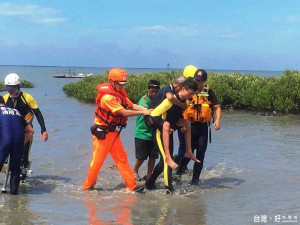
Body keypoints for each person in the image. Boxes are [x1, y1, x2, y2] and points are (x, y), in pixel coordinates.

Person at [82, 68, 152, 193]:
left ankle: (132, 186)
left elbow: (131, 105)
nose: (121, 86)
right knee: (96, 163)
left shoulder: (121, 93)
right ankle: (87, 187)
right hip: (102, 134)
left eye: (123, 84)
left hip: (113, 133)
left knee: (122, 159)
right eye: (120, 84)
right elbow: (123, 112)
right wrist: (143, 112)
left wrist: (147, 109)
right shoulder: (107, 98)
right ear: (111, 82)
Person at [145, 77, 199, 193]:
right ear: (183, 88)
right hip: (160, 132)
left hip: (169, 132)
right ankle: (169, 189)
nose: (191, 96)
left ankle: (149, 183)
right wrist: (163, 124)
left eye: (193, 94)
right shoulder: (170, 101)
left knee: (187, 123)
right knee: (166, 160)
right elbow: (154, 114)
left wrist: (182, 124)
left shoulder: (186, 102)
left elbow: (176, 118)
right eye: (190, 93)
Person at [176, 69, 222, 185]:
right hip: (190, 126)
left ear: (205, 81)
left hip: (202, 128)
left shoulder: (208, 92)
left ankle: (195, 180)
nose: (198, 83)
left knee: (201, 153)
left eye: (200, 81)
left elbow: (217, 107)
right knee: (188, 152)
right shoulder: (189, 90)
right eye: (196, 80)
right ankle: (178, 174)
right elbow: (180, 107)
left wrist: (217, 120)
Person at [3, 73, 48, 180]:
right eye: (8, 89)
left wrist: (43, 130)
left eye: (11, 88)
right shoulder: (4, 99)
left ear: (17, 86)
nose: (9, 91)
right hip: (10, 131)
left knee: (23, 153)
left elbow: (38, 114)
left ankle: (23, 174)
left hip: (26, 131)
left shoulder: (27, 98)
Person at [0, 95, 34, 195]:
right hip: (18, 141)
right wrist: (21, 144)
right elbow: (30, 131)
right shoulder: (16, 112)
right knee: (15, 169)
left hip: (5, 141)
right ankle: (14, 195)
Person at [133, 79, 160, 181]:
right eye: (152, 91)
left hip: (154, 133)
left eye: (156, 91)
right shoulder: (144, 100)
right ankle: (135, 171)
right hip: (142, 133)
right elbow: (148, 112)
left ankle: (149, 175)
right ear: (148, 89)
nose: (154, 93)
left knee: (153, 157)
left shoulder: (159, 100)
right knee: (141, 157)